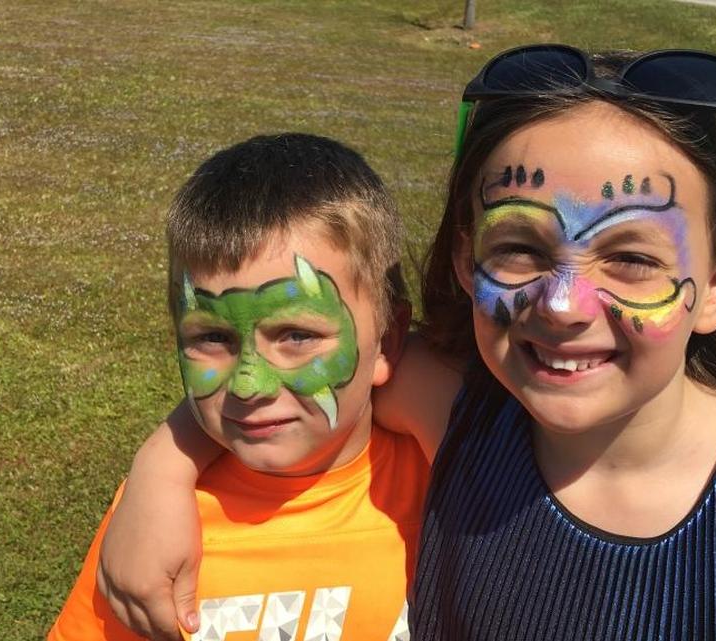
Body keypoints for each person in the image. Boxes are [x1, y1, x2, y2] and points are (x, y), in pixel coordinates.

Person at [97, 46, 716, 641]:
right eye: (521, 250)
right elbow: (282, 365)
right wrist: (160, 470)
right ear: (465, 258)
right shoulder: (461, 418)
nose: (565, 303)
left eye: (632, 258)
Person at [47, 133, 430, 641]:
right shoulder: (156, 528)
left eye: (297, 335)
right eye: (213, 337)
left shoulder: (448, 484)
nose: (249, 385)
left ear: (386, 341)